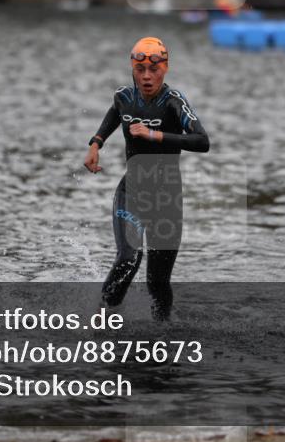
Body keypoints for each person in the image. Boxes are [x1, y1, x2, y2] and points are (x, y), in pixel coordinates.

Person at [84, 37, 209, 321]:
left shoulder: (174, 103)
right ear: (133, 70)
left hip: (167, 200)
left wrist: (154, 135)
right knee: (128, 259)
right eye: (140, 71)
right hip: (132, 193)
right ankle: (101, 321)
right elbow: (116, 113)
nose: (147, 77)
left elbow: (202, 141)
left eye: (153, 71)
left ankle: (161, 332)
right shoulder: (124, 97)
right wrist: (96, 144)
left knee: (157, 281)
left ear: (164, 69)